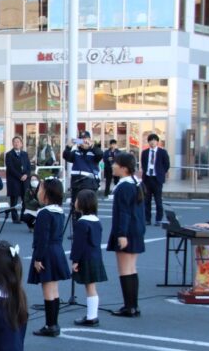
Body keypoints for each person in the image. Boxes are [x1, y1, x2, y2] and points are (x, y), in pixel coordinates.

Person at [28, 177, 70, 337]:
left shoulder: (45, 213)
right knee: (54, 289)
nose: (38, 191)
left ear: (47, 193)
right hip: (57, 251)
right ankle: (53, 323)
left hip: (46, 253)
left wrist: (38, 258)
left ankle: (50, 325)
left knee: (47, 290)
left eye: (40, 189)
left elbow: (42, 238)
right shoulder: (59, 211)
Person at [107, 153, 146, 318]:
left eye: (115, 163)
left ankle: (129, 306)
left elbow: (123, 213)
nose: (112, 166)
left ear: (123, 168)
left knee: (124, 269)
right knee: (131, 268)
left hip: (126, 231)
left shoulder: (124, 186)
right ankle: (132, 305)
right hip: (136, 230)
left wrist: (121, 234)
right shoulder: (136, 184)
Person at [70, 189, 108, 326]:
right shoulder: (96, 221)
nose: (75, 202)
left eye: (76, 200)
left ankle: (92, 316)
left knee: (90, 287)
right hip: (96, 256)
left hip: (86, 258)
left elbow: (78, 245)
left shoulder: (82, 223)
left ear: (82, 204)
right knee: (92, 287)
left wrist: (75, 261)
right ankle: (92, 315)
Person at [63, 130, 103, 224]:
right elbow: (66, 156)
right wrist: (69, 146)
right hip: (77, 184)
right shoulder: (76, 153)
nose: (83, 142)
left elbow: (100, 154)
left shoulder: (94, 152)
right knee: (76, 209)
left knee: (90, 209)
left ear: (90, 140)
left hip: (89, 185)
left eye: (85, 139)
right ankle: (77, 230)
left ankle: (91, 229)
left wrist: (91, 146)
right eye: (81, 140)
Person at [140, 133, 170, 226]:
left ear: (157, 142)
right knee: (146, 200)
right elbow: (143, 164)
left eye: (154, 140)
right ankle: (147, 219)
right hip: (147, 179)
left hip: (157, 179)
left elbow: (167, 164)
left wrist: (161, 173)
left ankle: (158, 219)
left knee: (158, 201)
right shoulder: (145, 152)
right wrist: (146, 172)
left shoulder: (162, 152)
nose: (152, 142)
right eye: (150, 140)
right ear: (148, 142)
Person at [5, 137, 32, 223]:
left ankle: (23, 216)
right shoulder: (9, 154)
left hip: (24, 180)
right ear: (12, 144)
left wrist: (26, 175)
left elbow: (28, 166)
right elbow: (10, 168)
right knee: (14, 199)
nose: (17, 143)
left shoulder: (25, 154)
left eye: (18, 142)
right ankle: (15, 217)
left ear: (21, 144)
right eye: (15, 142)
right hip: (14, 180)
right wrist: (20, 176)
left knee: (25, 199)